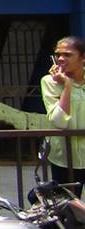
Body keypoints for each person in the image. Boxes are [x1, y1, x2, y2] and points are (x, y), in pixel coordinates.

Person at [41, 35, 85, 188]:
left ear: (82, 57)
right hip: (65, 157)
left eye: (67, 54)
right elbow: (59, 121)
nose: (60, 59)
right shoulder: (50, 82)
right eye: (58, 54)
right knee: (68, 200)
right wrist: (67, 86)